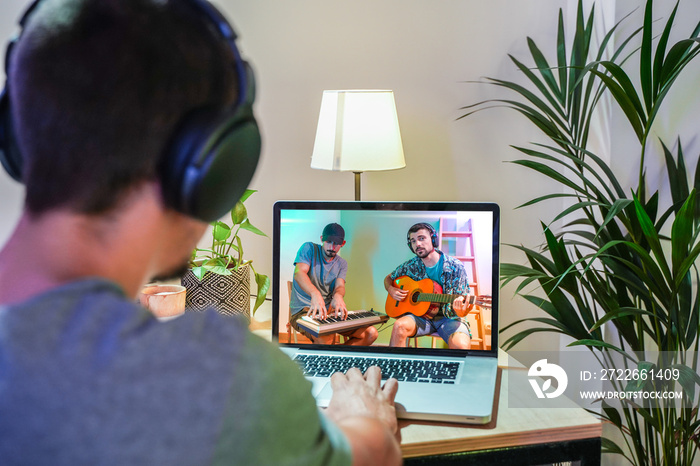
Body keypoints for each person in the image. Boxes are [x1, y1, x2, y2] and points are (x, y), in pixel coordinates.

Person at [0, 1, 400, 465]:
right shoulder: (222, 380)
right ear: (210, 167)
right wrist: (366, 415)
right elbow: (376, 456)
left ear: (17, 134)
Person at [384, 222, 474, 349]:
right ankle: (397, 367)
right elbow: (388, 278)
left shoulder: (455, 266)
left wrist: (461, 310)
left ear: (433, 239)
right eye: (413, 241)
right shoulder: (411, 265)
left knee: (461, 345)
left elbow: (463, 308)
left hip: (449, 319)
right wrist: (391, 289)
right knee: (399, 326)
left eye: (421, 238)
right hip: (421, 317)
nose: (417, 244)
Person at [289, 223, 379, 345]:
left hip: (329, 313)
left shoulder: (342, 264)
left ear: (343, 244)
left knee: (371, 333)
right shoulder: (309, 248)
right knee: (326, 337)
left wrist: (338, 296)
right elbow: (299, 273)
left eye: (336, 243)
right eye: (329, 241)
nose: (332, 246)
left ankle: (339, 360)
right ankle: (332, 358)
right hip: (303, 311)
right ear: (322, 239)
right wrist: (315, 294)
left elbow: (340, 286)